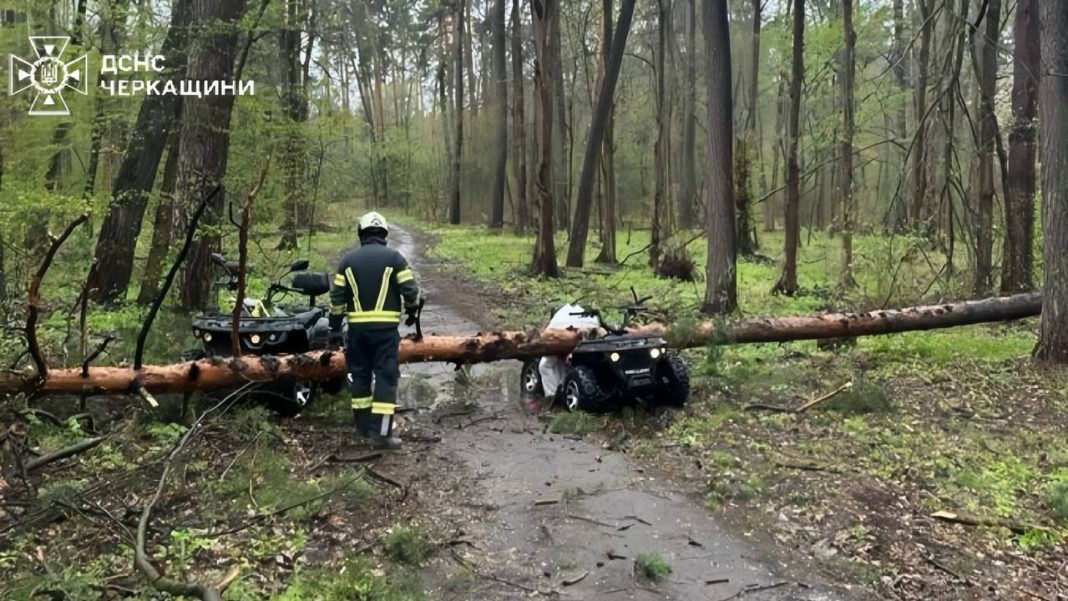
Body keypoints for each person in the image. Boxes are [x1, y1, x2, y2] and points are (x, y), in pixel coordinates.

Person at [329, 211, 422, 449]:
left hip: (357, 332)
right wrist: (412, 311)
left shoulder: (346, 262)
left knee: (359, 376)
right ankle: (380, 434)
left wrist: (335, 330)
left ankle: (363, 428)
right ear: (384, 234)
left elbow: (337, 300)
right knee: (385, 377)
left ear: (361, 234)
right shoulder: (395, 259)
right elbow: (411, 293)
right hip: (385, 333)